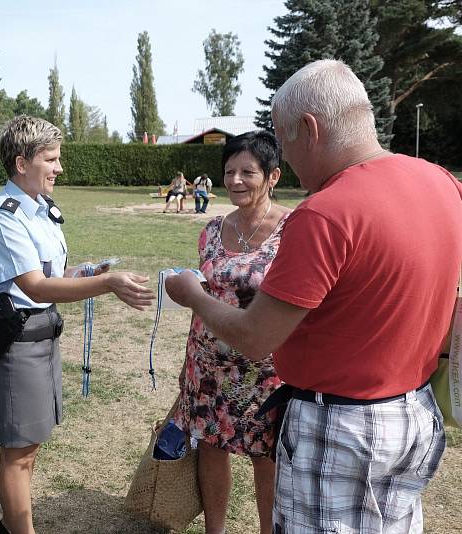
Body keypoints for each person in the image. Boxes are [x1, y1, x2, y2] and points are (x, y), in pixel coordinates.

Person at [165, 59, 462, 533]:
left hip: (342, 426)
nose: (288, 160)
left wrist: (193, 295)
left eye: (285, 143)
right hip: (413, 413)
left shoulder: (324, 214)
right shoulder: (442, 183)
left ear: (310, 128)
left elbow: (256, 336)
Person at [0, 115, 155, 534]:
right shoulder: (3, 216)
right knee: (18, 453)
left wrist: (87, 272)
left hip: (41, 336)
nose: (59, 168)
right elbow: (35, 287)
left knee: (30, 446)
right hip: (18, 343)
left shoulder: (39, 210)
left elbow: (50, 274)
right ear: (22, 163)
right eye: (51, 159)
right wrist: (106, 283)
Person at [173, 131, 289, 534]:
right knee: (210, 446)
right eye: (229, 171)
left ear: (272, 176)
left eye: (248, 172)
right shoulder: (211, 230)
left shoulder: (292, 230)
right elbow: (206, 292)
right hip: (207, 365)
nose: (236, 180)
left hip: (265, 369)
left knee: (266, 455)